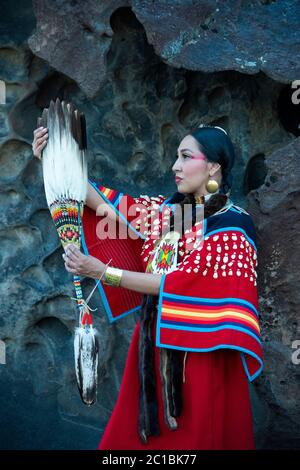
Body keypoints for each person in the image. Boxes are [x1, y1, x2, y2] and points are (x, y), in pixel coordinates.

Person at [32, 124, 263, 450]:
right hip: (153, 344)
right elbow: (107, 207)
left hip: (201, 350)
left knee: (196, 440)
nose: (175, 166)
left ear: (213, 166)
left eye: (185, 157)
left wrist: (104, 272)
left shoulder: (233, 224)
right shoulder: (169, 213)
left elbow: (181, 284)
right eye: (176, 157)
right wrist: (53, 161)